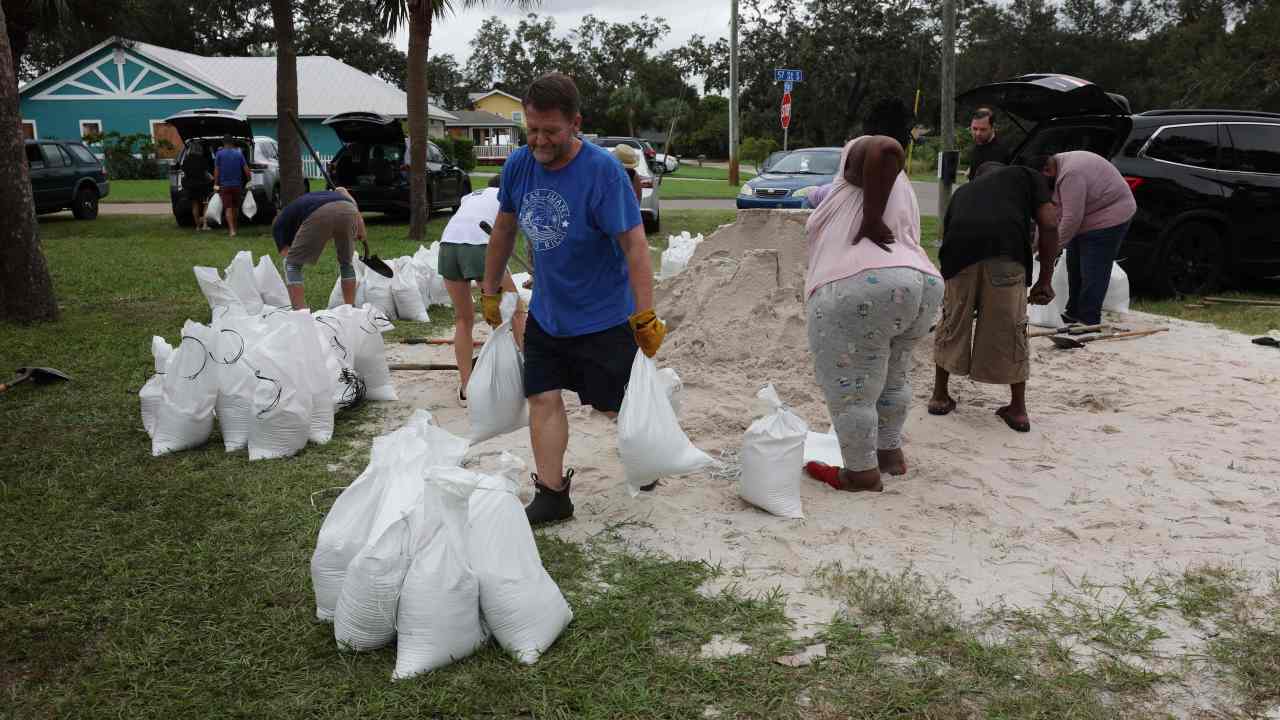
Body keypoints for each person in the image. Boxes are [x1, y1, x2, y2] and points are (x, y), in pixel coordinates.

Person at [480, 72, 664, 525]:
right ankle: (552, 494)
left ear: (575, 123)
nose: (540, 140)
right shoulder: (520, 164)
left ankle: (647, 456)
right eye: (532, 129)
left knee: (614, 404)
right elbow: (504, 228)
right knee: (542, 397)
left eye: (551, 131)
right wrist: (488, 290)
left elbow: (635, 245)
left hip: (604, 317)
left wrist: (645, 314)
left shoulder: (602, 172)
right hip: (548, 312)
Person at [801, 98, 944, 493]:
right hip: (921, 284)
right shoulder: (904, 187)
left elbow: (884, 148)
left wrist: (869, 219)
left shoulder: (864, 147)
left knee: (852, 387)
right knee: (893, 376)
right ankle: (889, 455)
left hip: (863, 283)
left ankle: (861, 473)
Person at [929, 161, 1060, 433]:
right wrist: (1044, 281)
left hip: (958, 257)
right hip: (1006, 254)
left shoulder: (962, 193)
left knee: (953, 320)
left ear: (977, 177)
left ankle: (940, 396)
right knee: (1011, 328)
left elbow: (945, 236)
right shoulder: (1027, 173)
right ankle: (1018, 409)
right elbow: (1049, 223)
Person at [439, 175, 527, 406]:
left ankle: (466, 388)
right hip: (479, 246)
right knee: (517, 309)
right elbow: (509, 236)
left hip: (447, 246)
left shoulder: (471, 196)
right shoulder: (507, 197)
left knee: (463, 319)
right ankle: (529, 373)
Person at [1029, 151, 1136, 326]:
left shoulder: (1070, 174)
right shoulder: (1053, 173)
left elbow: (1072, 219)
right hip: (1088, 215)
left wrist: (1052, 249)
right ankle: (1073, 312)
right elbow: (1048, 218)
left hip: (1111, 214)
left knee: (1093, 269)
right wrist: (1034, 248)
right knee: (1074, 265)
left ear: (1047, 171)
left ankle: (1089, 318)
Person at [272, 187, 365, 310]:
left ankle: (299, 312)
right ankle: (350, 308)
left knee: (291, 265)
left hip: (320, 211)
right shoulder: (303, 205)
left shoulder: (278, 227)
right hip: (349, 209)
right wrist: (360, 224)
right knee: (346, 263)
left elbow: (287, 256)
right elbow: (343, 191)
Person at [213, 135, 251, 238]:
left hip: (225, 186)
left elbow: (217, 170)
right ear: (232, 142)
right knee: (235, 207)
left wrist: (216, 184)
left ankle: (232, 230)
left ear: (223, 142)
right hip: (237, 185)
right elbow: (246, 169)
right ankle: (235, 226)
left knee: (228, 208)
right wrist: (249, 181)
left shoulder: (219, 154)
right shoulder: (239, 154)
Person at [967, 108, 1009, 181]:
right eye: (974, 128)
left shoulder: (1000, 151)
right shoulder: (978, 145)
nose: (978, 134)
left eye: (983, 129)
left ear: (992, 127)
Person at [181, 143, 214, 231]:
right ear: (200, 150)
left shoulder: (186, 160)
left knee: (195, 205)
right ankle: (205, 225)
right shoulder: (202, 160)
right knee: (205, 204)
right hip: (202, 185)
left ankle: (197, 226)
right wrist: (212, 179)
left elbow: (184, 172)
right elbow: (206, 173)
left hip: (191, 186)